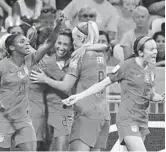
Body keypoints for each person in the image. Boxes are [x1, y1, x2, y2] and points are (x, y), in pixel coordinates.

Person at [63, 36, 165, 151]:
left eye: (156, 49)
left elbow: (151, 94)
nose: (155, 52)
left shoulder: (151, 67)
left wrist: (160, 98)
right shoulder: (126, 66)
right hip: (128, 119)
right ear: (140, 52)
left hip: (143, 119)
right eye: (151, 49)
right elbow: (102, 84)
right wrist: (78, 96)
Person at [30, 21, 110, 151]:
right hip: (103, 116)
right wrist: (87, 46)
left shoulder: (77, 57)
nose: (73, 43)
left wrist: (45, 79)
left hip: (86, 115)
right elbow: (105, 46)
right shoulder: (101, 54)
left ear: (83, 38)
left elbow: (66, 86)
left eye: (74, 38)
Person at [0, 13, 64, 151]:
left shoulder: (29, 61)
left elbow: (49, 43)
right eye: (22, 41)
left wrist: (57, 26)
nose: (27, 43)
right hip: (3, 119)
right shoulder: (2, 66)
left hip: (23, 119)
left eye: (27, 41)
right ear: (11, 48)